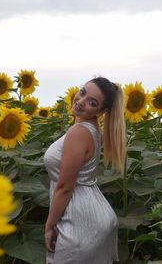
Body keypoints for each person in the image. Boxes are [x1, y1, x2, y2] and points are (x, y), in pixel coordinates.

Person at [44, 76, 126, 264]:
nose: (81, 102)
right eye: (82, 92)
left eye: (92, 102)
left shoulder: (78, 132)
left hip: (79, 221)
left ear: (102, 111)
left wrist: (49, 225)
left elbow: (65, 186)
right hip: (91, 216)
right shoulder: (90, 127)